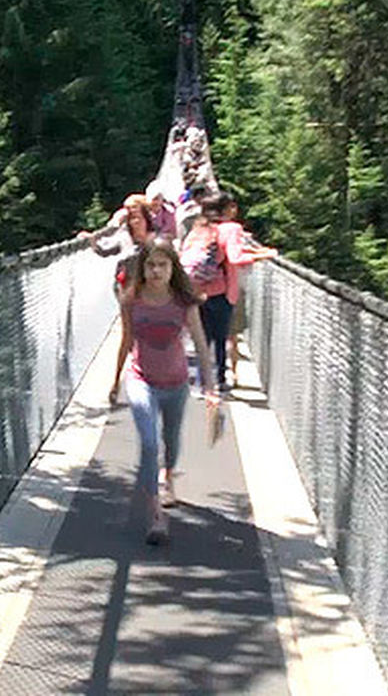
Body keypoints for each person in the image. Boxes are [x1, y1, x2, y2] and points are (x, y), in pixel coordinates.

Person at [110, 238, 218, 545]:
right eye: (150, 265)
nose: (156, 271)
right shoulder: (132, 300)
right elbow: (126, 339)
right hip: (141, 379)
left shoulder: (184, 302)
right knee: (148, 443)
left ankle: (168, 476)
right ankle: (155, 513)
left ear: (173, 268)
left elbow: (199, 342)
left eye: (162, 265)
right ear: (142, 269)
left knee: (171, 440)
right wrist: (115, 379)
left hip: (176, 382)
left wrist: (210, 387)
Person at [179, 192, 277, 391]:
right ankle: (220, 382)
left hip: (196, 290)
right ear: (227, 209)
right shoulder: (231, 228)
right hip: (220, 292)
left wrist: (257, 251)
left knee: (203, 338)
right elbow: (235, 257)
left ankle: (201, 382)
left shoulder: (199, 227)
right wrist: (262, 256)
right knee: (220, 338)